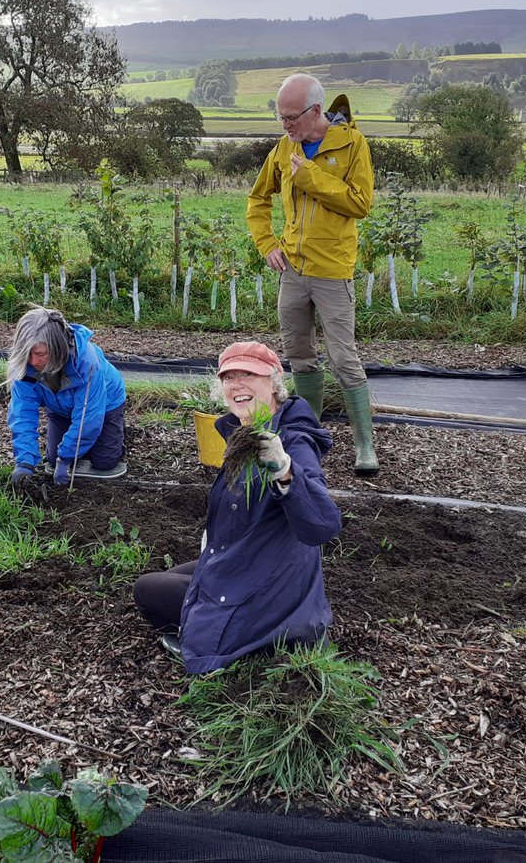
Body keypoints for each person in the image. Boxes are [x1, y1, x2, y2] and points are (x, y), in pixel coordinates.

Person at [133, 341, 341, 674]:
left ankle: (246, 640)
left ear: (273, 383)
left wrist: (285, 470)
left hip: (269, 583)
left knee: (148, 590)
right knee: (176, 577)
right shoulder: (245, 432)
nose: (237, 384)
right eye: (229, 377)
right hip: (256, 557)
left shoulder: (292, 440)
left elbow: (322, 525)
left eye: (248, 375)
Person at [245, 71, 379, 475]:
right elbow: (257, 198)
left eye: (290, 118)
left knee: (343, 359)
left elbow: (360, 203)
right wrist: (267, 244)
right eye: (280, 118)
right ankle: (309, 438)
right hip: (293, 271)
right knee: (300, 358)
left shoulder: (351, 145)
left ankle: (365, 447)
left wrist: (311, 177)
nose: (285, 126)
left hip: (333, 271)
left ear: (316, 111)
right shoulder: (285, 147)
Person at [5, 307, 128, 486]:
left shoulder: (87, 364)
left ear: (57, 348)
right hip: (59, 408)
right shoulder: (25, 368)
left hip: (105, 404)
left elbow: (89, 417)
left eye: (40, 354)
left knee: (105, 462)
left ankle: (113, 432)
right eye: (28, 353)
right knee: (54, 460)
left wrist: (66, 457)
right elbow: (22, 414)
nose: (33, 362)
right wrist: (24, 462)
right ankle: (82, 442)